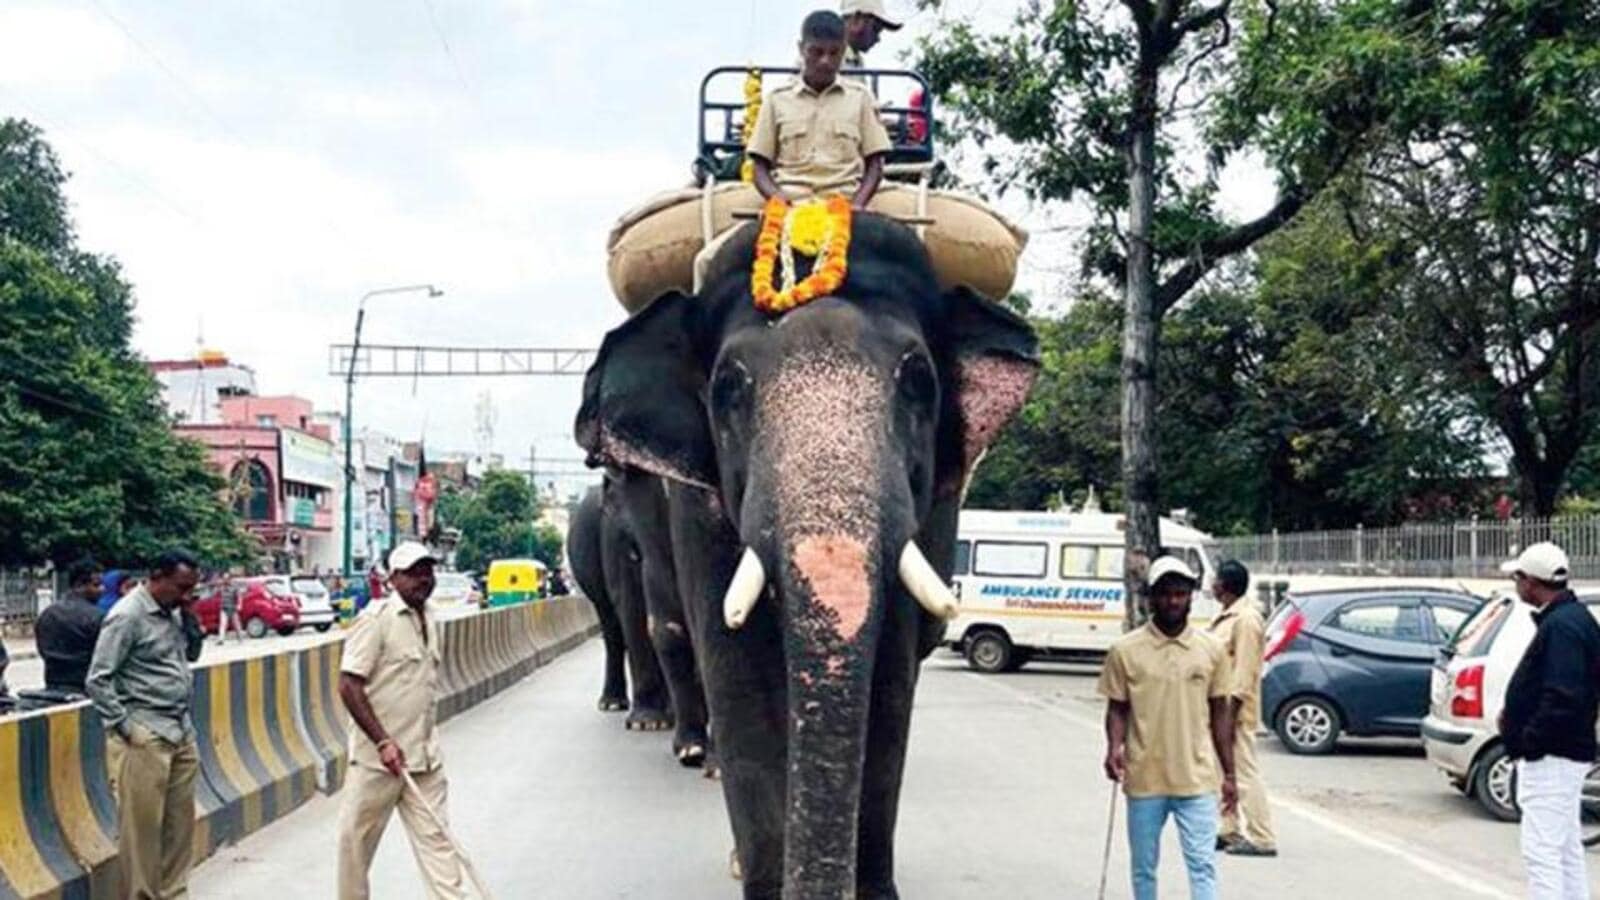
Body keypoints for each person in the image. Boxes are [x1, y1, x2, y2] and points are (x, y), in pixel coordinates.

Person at [1099, 556, 1237, 900]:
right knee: (1144, 868)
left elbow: (1220, 712)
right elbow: (1117, 707)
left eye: (1180, 593)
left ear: (1191, 596)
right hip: (1145, 778)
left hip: (1197, 779)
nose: (1172, 601)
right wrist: (1113, 748)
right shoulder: (1125, 650)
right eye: (1164, 594)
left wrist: (1230, 774)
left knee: (1202, 865)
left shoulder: (1212, 650)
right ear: (1150, 597)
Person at [337, 542, 468, 900]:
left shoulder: (431, 617)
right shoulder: (375, 621)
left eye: (427, 571)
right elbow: (349, 685)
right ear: (393, 578)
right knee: (355, 846)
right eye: (413, 573)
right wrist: (382, 741)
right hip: (378, 762)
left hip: (424, 758)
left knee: (438, 842)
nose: (423, 580)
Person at [85, 550, 205, 900]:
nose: (186, 595)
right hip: (145, 731)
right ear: (157, 577)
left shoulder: (175, 612)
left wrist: (191, 618)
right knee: (141, 832)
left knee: (179, 827)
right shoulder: (127, 616)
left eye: (191, 590)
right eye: (181, 588)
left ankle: (173, 892)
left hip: (180, 729)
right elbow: (98, 679)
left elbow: (191, 656)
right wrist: (125, 728)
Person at [1498, 542, 1600, 900]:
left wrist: (1528, 740)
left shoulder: (1562, 628)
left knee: (1541, 852)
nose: (1515, 584)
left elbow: (1562, 696)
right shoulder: (1572, 620)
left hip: (1552, 755)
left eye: (1517, 578)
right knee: (1565, 848)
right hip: (1564, 752)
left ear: (1530, 582)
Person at [748, 10, 893, 209]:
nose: (825, 61)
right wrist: (777, 197)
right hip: (791, 206)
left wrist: (858, 204)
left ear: (843, 51)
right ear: (801, 49)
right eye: (816, 52)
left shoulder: (861, 98)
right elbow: (759, 167)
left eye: (834, 53)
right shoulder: (776, 100)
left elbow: (876, 164)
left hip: (844, 206)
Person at [1207, 560, 1276, 857]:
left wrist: (1230, 713)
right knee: (1222, 773)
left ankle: (1262, 837)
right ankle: (1228, 827)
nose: (1211, 585)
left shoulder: (1246, 619)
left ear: (1225, 586)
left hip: (1233, 712)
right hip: (1217, 708)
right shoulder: (1226, 616)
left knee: (1243, 773)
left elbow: (1245, 671)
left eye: (1215, 580)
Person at [35, 558, 105, 693]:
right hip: (85, 687)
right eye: (97, 585)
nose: (103, 589)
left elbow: (42, 649)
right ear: (79, 585)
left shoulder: (47, 614)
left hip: (52, 685)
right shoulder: (97, 617)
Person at [841, 0, 902, 69]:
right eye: (876, 29)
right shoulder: (835, 57)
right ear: (856, 20)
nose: (878, 39)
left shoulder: (855, 60)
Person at [216, 574, 245, 645]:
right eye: (224, 579)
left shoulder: (234, 587)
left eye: (226, 579)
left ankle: (240, 638)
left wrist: (239, 605)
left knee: (237, 625)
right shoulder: (222, 586)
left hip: (232, 608)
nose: (225, 580)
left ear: (229, 579)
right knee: (223, 624)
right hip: (224, 608)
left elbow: (239, 596)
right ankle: (221, 639)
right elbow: (216, 589)